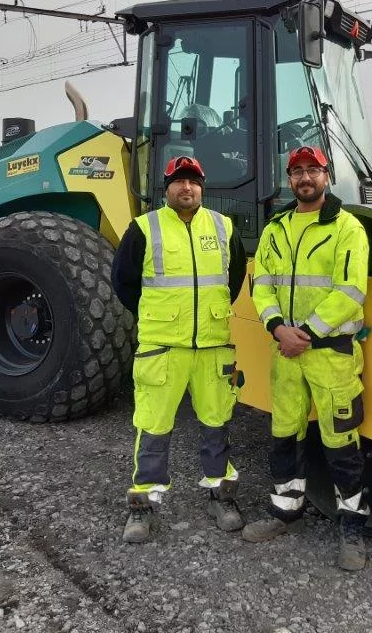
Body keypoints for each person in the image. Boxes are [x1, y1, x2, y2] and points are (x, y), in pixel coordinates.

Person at [241, 145, 371, 572]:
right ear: (289, 178)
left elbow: (350, 292)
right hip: (287, 354)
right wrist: (278, 327)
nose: (304, 178)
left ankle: (352, 526)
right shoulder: (276, 228)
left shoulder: (346, 228)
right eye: (296, 171)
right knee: (284, 433)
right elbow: (262, 283)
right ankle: (285, 510)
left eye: (311, 170)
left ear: (326, 174)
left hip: (330, 355)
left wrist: (307, 333)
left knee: (341, 443)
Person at [111, 155, 248, 543]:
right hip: (163, 349)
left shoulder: (223, 227)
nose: (185, 188)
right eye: (178, 181)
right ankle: (143, 506)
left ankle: (221, 495)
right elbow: (123, 282)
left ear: (202, 188)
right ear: (166, 188)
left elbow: (233, 277)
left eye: (193, 181)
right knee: (153, 426)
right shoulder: (143, 228)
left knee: (216, 423)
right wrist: (161, 315)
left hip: (212, 346)